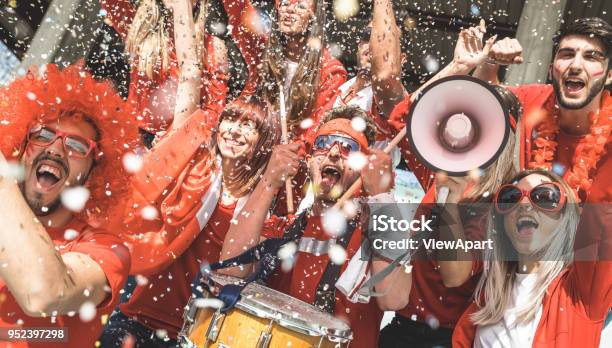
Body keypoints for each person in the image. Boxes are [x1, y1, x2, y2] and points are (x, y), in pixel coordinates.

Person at [98, 3, 279, 346]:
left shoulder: (222, 36)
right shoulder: (146, 26)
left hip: (199, 153)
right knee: (123, 254)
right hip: (151, 148)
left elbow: (213, 93)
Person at [220, 106, 412, 347]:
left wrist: (382, 197)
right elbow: (231, 268)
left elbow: (394, 298)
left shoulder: (375, 230)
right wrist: (269, 180)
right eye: (324, 142)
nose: (333, 152)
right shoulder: (286, 227)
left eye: (347, 147)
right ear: (309, 160)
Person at [0, 64, 137, 347]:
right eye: (43, 135)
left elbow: (42, 293)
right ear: (23, 146)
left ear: (94, 173)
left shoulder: (106, 250)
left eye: (76, 146)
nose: (54, 149)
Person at [378, 86, 523, 348]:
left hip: (444, 337)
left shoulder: (502, 202)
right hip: (402, 325)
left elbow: (454, 275)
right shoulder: (444, 169)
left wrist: (451, 204)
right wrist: (459, 68)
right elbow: (403, 119)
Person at [453, 170, 611, 347]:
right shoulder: (485, 300)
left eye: (544, 196)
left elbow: (605, 205)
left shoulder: (580, 294)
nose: (525, 204)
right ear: (503, 224)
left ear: (565, 218)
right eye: (511, 198)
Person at [472, 17, 611, 203]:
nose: (576, 66)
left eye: (591, 57)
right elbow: (478, 103)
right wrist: (490, 61)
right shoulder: (530, 99)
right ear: (551, 70)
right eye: (567, 55)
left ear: (609, 75)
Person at [99, 0, 229, 140]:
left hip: (175, 144)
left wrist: (171, 137)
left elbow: (213, 111)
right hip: (130, 135)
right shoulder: (141, 27)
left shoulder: (213, 47)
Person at [222, 0, 347, 141]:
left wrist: (284, 155)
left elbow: (313, 131)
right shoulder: (263, 49)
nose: (290, 9)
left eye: (301, 6)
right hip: (247, 142)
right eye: (285, 3)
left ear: (314, 18)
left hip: (290, 155)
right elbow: (238, 10)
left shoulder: (331, 72)